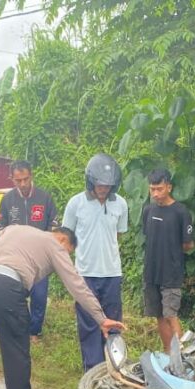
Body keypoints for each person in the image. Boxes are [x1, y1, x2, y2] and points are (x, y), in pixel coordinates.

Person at [0, 226, 127, 389]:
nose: (66, 255)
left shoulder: (14, 229)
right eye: (69, 251)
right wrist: (101, 318)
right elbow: (76, 283)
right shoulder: (55, 245)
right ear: (62, 240)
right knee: (15, 346)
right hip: (5, 286)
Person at [62, 153, 128, 370]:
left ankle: (114, 368)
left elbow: (118, 235)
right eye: (99, 184)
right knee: (90, 323)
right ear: (90, 181)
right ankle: (93, 371)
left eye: (108, 185)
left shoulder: (121, 204)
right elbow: (66, 239)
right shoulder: (76, 203)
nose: (103, 189)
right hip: (85, 274)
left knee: (113, 323)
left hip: (112, 274)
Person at [0, 160, 59, 343]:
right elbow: (1, 228)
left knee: (39, 296)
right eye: (18, 180)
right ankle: (19, 330)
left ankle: (34, 332)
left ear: (31, 175)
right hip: (15, 259)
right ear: (12, 179)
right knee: (16, 296)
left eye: (25, 179)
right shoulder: (7, 200)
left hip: (40, 259)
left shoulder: (44, 198)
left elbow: (54, 226)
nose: (23, 184)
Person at [141, 168, 194, 352]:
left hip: (171, 273)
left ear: (169, 187)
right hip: (151, 272)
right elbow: (147, 235)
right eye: (152, 189)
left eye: (159, 189)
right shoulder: (148, 210)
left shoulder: (180, 212)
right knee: (159, 316)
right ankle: (167, 354)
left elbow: (188, 244)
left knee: (171, 315)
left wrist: (171, 252)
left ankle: (182, 357)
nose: (155, 193)